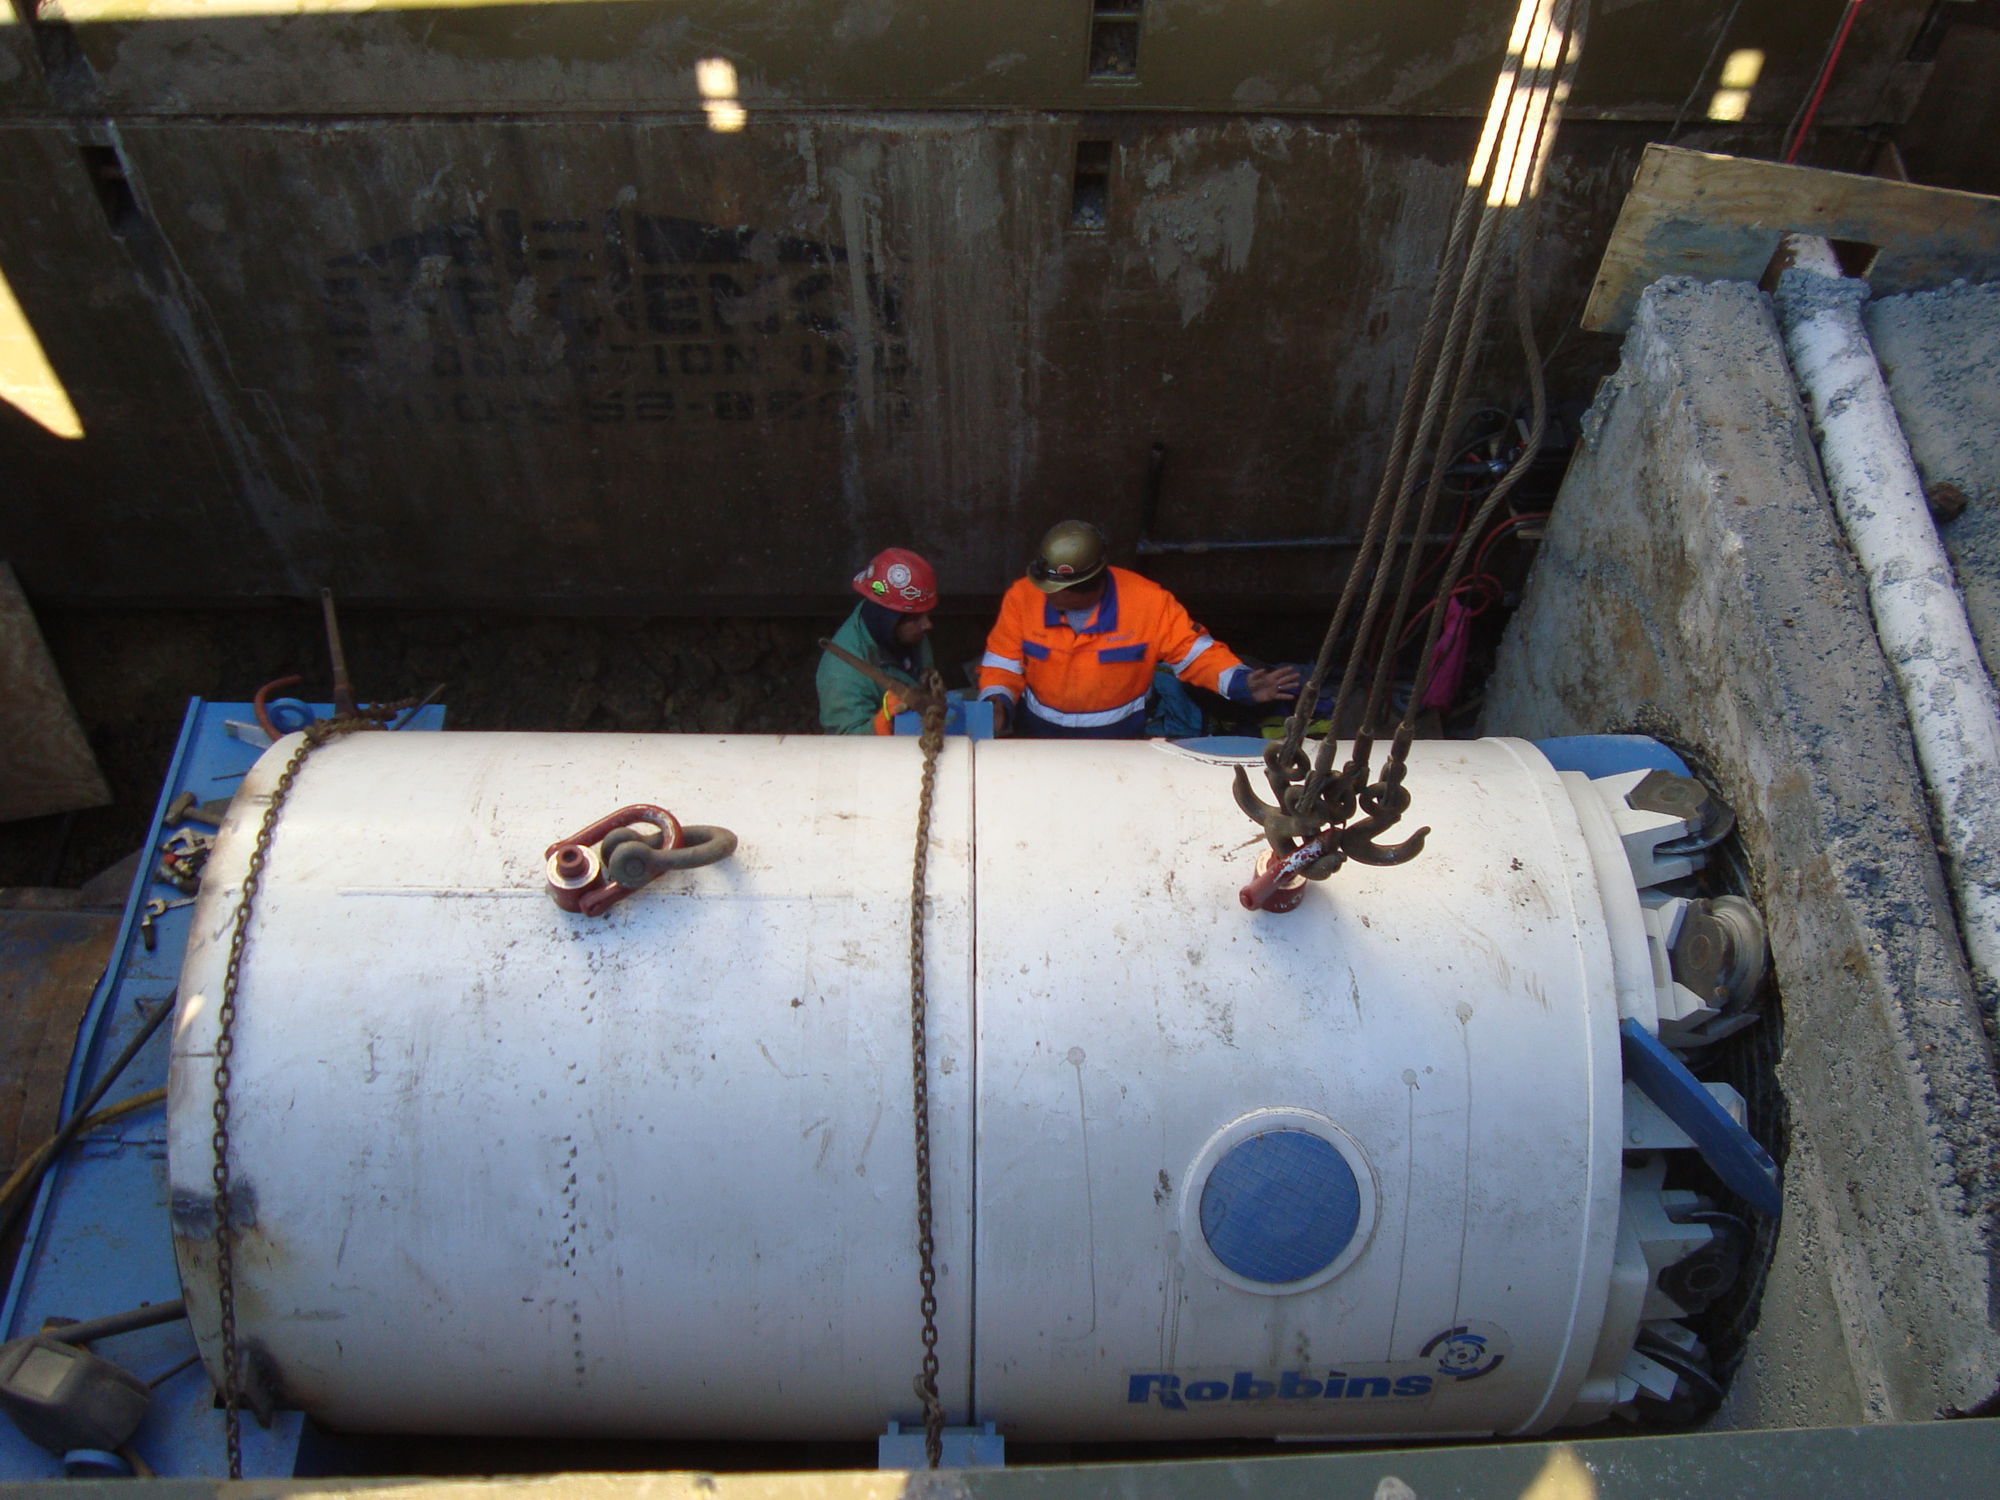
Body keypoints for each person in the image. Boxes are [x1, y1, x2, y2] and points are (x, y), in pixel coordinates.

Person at [978, 521, 1301, 738]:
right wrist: (996, 701)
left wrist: (1241, 683)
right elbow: (1002, 661)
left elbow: (1196, 653)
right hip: (1037, 733)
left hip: (1117, 739)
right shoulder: (1022, 597)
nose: (1045, 594)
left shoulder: (1148, 603)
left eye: (1055, 589)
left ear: (1091, 585)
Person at [817, 547, 939, 735]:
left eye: (927, 614)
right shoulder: (840, 673)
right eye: (915, 618)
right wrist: (883, 723)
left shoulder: (906, 632)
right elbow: (842, 746)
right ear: (887, 619)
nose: (927, 624)